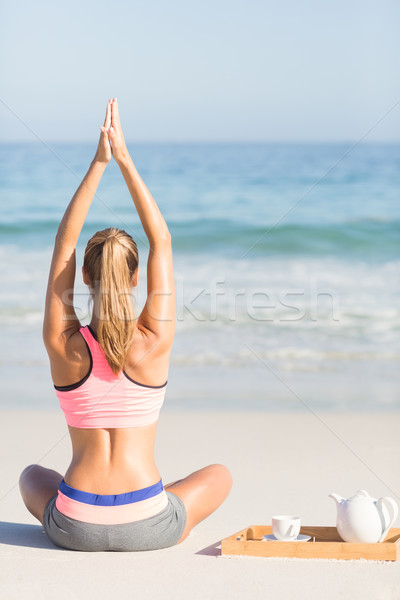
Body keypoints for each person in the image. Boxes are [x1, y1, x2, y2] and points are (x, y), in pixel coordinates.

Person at [19, 98, 232, 551]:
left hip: (74, 526)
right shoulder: (154, 341)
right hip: (148, 523)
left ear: (85, 277)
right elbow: (162, 240)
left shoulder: (63, 343)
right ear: (136, 277)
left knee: (32, 476)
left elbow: (65, 242)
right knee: (218, 475)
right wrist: (124, 159)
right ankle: (158, 504)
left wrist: (98, 163)